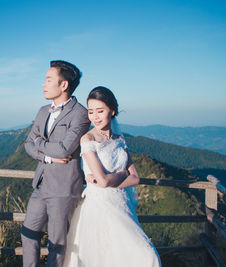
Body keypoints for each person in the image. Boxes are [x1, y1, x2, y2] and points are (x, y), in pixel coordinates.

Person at [63, 86, 161, 267]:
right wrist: (123, 174)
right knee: (108, 257)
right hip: (100, 206)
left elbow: (136, 178)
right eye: (91, 112)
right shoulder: (88, 139)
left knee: (137, 256)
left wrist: (112, 179)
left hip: (123, 205)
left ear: (112, 111)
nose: (95, 116)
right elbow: (103, 181)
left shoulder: (120, 140)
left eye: (100, 111)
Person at [22, 60, 91, 267]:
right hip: (41, 184)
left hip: (63, 187)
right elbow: (28, 144)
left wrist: (40, 143)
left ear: (64, 85)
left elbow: (64, 149)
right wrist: (47, 157)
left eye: (48, 79)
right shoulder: (43, 110)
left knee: (57, 244)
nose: (43, 84)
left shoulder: (80, 113)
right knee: (28, 233)